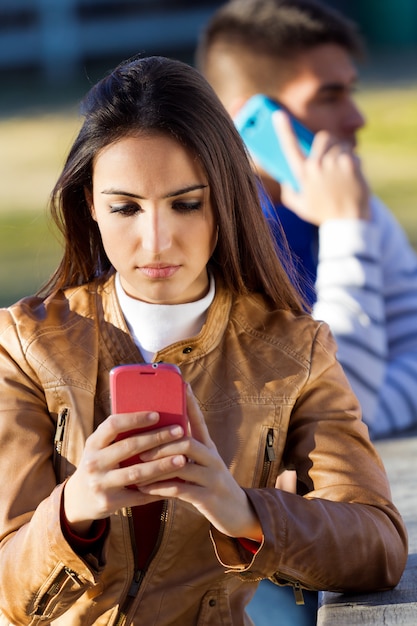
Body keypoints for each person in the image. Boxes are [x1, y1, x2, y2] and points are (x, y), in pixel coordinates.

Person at [0, 55, 407, 626]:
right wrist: (76, 506)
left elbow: (380, 545)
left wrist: (240, 508)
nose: (157, 240)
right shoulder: (24, 344)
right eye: (125, 207)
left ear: (225, 201)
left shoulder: (294, 350)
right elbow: (7, 588)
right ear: (89, 205)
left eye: (186, 203)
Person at [196, 0, 417, 442]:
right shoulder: (202, 241)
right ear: (250, 119)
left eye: (350, 92)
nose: (357, 119)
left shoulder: (351, 203)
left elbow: (349, 404)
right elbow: (336, 412)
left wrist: (364, 410)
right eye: (329, 96)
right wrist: (346, 229)